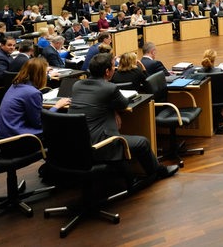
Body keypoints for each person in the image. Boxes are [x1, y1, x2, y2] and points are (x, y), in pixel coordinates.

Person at [69, 53, 178, 184]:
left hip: (75, 143)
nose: (115, 69)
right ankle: (156, 173)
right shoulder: (109, 88)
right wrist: (114, 110)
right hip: (99, 145)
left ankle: (127, 174)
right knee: (142, 142)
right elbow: (123, 104)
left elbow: (97, 103)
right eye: (113, 67)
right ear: (107, 72)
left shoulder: (77, 85)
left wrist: (112, 111)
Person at [0, 57, 69, 139]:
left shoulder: (15, 85)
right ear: (39, 75)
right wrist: (56, 106)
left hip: (6, 133)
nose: (47, 75)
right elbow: (39, 123)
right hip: (18, 138)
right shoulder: (32, 93)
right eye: (46, 72)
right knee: (63, 128)